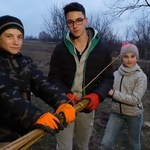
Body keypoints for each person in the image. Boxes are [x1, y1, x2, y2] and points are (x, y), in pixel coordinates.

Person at [0, 15, 76, 145]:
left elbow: (42, 83)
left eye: (19, 37)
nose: (16, 42)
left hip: (23, 134)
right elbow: (3, 93)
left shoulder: (25, 61)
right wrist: (35, 116)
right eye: (9, 36)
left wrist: (62, 101)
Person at [48, 2, 114, 150]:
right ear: (67, 24)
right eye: (70, 22)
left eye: (79, 20)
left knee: (83, 145)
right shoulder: (60, 49)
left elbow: (108, 78)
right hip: (64, 104)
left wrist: (97, 95)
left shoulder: (102, 49)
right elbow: (53, 77)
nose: (75, 25)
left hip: (87, 106)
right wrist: (66, 94)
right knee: (63, 146)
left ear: (86, 20)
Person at [100, 43, 147, 150]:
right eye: (126, 56)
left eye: (132, 56)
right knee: (105, 144)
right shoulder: (116, 74)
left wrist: (113, 93)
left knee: (134, 144)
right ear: (121, 58)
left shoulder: (141, 76)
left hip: (134, 115)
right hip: (116, 113)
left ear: (137, 58)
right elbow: (109, 93)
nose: (129, 59)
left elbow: (134, 100)